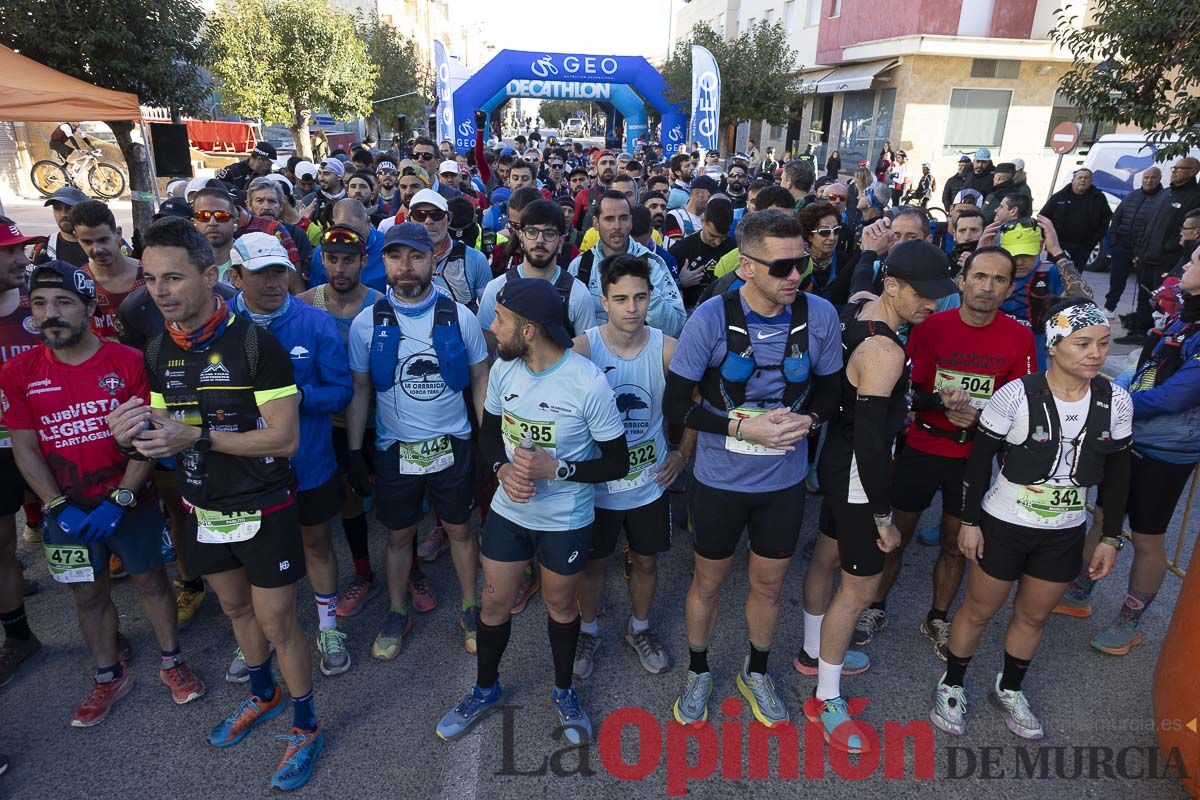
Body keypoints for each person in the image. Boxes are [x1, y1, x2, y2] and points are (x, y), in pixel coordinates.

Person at [117, 217, 323, 790]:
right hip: (201, 502)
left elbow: (286, 439)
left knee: (278, 620)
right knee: (235, 611)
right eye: (151, 278)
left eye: (174, 277)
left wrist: (197, 437)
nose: (159, 291)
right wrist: (130, 431)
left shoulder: (257, 345)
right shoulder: (159, 347)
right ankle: (264, 692)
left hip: (264, 502)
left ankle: (306, 724)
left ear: (211, 276)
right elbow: (165, 425)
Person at [2, 260, 205, 724]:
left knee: (151, 581)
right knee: (86, 595)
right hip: (65, 506)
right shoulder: (17, 372)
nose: (50, 313)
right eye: (39, 304)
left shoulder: (130, 362)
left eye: (63, 303)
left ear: (90, 307)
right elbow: (25, 447)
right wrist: (54, 506)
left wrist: (123, 498)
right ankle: (107, 674)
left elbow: (149, 437)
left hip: (132, 499)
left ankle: (173, 661)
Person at [665, 211, 842, 727]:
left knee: (768, 586)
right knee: (708, 584)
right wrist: (744, 430)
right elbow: (676, 408)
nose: (795, 276)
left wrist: (807, 421)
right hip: (720, 482)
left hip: (782, 484)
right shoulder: (710, 318)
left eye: (802, 263)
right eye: (782, 267)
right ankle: (699, 670)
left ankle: (756, 671)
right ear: (746, 267)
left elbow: (832, 391)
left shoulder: (820, 315)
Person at [434, 277, 628, 745]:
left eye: (500, 319)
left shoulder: (586, 382)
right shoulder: (505, 369)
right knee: (496, 601)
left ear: (528, 331)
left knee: (561, 604)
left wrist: (554, 469)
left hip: (565, 518)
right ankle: (484, 689)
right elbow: (488, 435)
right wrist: (501, 469)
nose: (492, 327)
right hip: (510, 511)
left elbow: (616, 461)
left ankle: (563, 692)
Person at [930, 299, 1131, 741]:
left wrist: (1110, 537)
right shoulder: (1016, 395)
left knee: (1034, 617)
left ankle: (1009, 687)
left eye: (1103, 343)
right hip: (1004, 524)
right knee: (980, 610)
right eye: (1082, 344)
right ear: (1054, 345)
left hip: (1063, 531)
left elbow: (1117, 476)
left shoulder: (1116, 400)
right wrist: (969, 521)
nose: (1096, 353)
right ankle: (952, 684)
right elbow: (979, 460)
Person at [806, 240, 957, 751]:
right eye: (925, 293)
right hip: (857, 476)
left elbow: (876, 408)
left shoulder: (861, 310)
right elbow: (872, 443)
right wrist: (883, 516)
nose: (934, 304)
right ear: (893, 286)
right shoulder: (884, 349)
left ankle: (814, 649)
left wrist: (932, 401)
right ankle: (826, 696)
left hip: (834, 461)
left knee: (826, 556)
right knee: (859, 589)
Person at [853, 248, 1036, 658]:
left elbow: (1023, 404)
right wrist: (942, 405)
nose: (988, 287)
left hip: (972, 457)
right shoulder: (931, 327)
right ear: (963, 280)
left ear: (1010, 288)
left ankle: (937, 616)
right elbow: (907, 393)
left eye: (999, 280)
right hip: (921, 448)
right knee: (895, 536)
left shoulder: (1020, 336)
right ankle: (873, 608)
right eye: (980, 277)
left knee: (955, 544)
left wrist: (981, 419)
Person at [344, 222, 489, 659]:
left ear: (432, 259)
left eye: (416, 256)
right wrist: (354, 452)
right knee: (397, 536)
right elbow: (360, 389)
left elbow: (480, 378)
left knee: (462, 530)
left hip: (453, 443)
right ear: (383, 261)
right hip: (396, 449)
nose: (406, 267)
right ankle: (397, 610)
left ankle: (469, 607)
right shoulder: (366, 323)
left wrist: (487, 441)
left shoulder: (459, 315)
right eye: (395, 257)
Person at [1055, 248, 1200, 654]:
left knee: (1148, 538)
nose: (1185, 266)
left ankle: (1130, 620)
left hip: (1167, 451)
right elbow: (1146, 369)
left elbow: (1176, 396)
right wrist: (1116, 391)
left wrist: (1113, 402)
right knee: (1103, 517)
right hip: (1130, 436)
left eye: (1195, 261)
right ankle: (1080, 592)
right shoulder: (1184, 315)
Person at [227, 234, 354, 678]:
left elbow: (341, 391)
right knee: (253, 554)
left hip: (307, 463)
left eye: (278, 271)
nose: (272, 282)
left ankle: (328, 624)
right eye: (260, 274)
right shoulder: (220, 324)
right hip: (242, 470)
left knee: (316, 544)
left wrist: (297, 397)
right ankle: (258, 634)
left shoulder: (315, 324)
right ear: (235, 276)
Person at [571, 255, 689, 681]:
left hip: (647, 484)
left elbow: (698, 406)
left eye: (640, 297)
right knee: (592, 564)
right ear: (604, 301)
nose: (632, 307)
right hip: (597, 488)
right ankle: (587, 629)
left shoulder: (667, 349)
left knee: (646, 561)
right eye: (621, 298)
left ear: (650, 298)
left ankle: (639, 627)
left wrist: (681, 454)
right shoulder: (583, 348)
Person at [298, 227, 383, 618]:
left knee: (397, 500)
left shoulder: (381, 304)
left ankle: (411, 569)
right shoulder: (305, 304)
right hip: (327, 422)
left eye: (348, 259)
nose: (339, 267)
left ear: (363, 261)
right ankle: (363, 572)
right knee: (348, 500)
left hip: (376, 421)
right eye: (331, 258)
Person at [0, 219, 49, 689]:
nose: (19, 258)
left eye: (20, 248)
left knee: (67, 540)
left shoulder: (41, 307)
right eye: (7, 252)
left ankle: (105, 633)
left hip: (50, 443)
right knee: (2, 548)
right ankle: (18, 634)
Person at [477, 199, 596, 344]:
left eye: (549, 233)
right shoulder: (496, 289)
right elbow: (487, 349)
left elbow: (586, 352)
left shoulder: (578, 295)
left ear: (561, 241)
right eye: (532, 232)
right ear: (521, 237)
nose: (540, 240)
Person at [569, 191, 685, 336]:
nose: (617, 226)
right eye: (609, 219)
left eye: (623, 218)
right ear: (596, 223)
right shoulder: (580, 267)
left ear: (631, 221)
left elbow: (676, 326)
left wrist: (646, 291)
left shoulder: (652, 264)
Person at [989, 216, 1092, 367]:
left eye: (1026, 254)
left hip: (1032, 362)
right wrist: (981, 252)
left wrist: (1057, 251)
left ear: (1040, 245)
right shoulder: (989, 272)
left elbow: (1086, 304)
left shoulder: (1050, 273)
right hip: (991, 358)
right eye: (1013, 254)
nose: (1019, 262)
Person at [1126, 157, 1200, 344]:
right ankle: (1138, 331)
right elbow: (1149, 224)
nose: (1174, 171)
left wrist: (1169, 248)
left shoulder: (1195, 196)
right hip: (1148, 256)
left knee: (1164, 300)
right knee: (1145, 296)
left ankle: (1157, 334)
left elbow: (1188, 230)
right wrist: (1140, 251)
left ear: (1193, 171)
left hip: (1167, 259)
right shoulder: (1164, 193)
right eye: (1173, 168)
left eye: (1180, 168)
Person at [68, 201, 143, 342]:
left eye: (103, 240)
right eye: (87, 242)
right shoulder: (77, 284)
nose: (97, 249)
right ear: (77, 238)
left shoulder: (149, 275)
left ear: (118, 233)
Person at [1104, 167, 1166, 317]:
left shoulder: (1163, 198)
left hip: (1143, 251)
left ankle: (1142, 316)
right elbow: (1117, 217)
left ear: (1159, 179)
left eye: (1153, 178)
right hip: (1122, 247)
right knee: (1116, 281)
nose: (1149, 181)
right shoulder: (1132, 195)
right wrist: (1114, 241)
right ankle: (1109, 308)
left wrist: (1142, 251)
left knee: (1145, 286)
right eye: (1146, 177)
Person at [1039, 168, 1112, 270]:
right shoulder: (1060, 196)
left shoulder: (1098, 198)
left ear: (1091, 181)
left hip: (1082, 247)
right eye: (1080, 177)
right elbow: (1043, 217)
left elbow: (1106, 218)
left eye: (1086, 178)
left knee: (1075, 279)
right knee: (1053, 275)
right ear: (1073, 180)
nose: (1083, 180)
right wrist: (1045, 237)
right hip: (1058, 245)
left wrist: (1095, 239)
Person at [32, 187, 91, 267]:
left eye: (69, 208)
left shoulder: (101, 244)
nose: (63, 214)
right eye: (57, 208)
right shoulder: (44, 247)